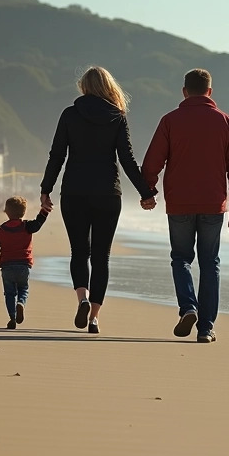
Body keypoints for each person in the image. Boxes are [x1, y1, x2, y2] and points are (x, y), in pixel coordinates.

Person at [40, 66, 158, 334]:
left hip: (74, 193)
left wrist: (46, 189)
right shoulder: (117, 117)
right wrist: (145, 192)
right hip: (107, 193)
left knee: (79, 252)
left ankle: (82, 298)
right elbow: (127, 159)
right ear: (108, 87)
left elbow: (56, 155)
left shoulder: (69, 115)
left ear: (84, 87)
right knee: (101, 257)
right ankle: (93, 317)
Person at [141, 68, 229, 343]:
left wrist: (148, 191)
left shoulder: (170, 121)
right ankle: (205, 328)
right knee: (210, 263)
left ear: (184, 91)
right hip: (213, 204)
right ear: (210, 92)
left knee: (181, 258)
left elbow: (153, 162)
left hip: (179, 203)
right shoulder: (226, 122)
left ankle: (188, 307)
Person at [0, 195, 51, 329]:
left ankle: (12, 317)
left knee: (9, 293)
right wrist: (44, 211)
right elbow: (38, 223)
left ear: (6, 212)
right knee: (23, 289)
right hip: (24, 265)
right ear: (24, 212)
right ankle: (21, 303)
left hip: (7, 267)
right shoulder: (27, 226)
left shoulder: (0, 231)